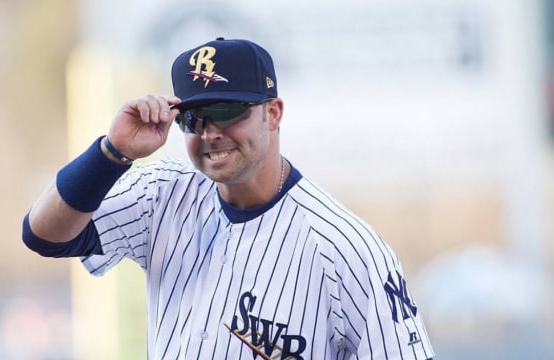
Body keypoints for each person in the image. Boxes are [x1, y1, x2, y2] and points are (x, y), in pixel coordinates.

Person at [22, 37, 435, 359]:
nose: (210, 132)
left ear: (272, 113)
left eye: (227, 111)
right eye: (194, 118)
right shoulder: (164, 192)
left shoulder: (345, 248)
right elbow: (44, 235)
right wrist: (112, 151)